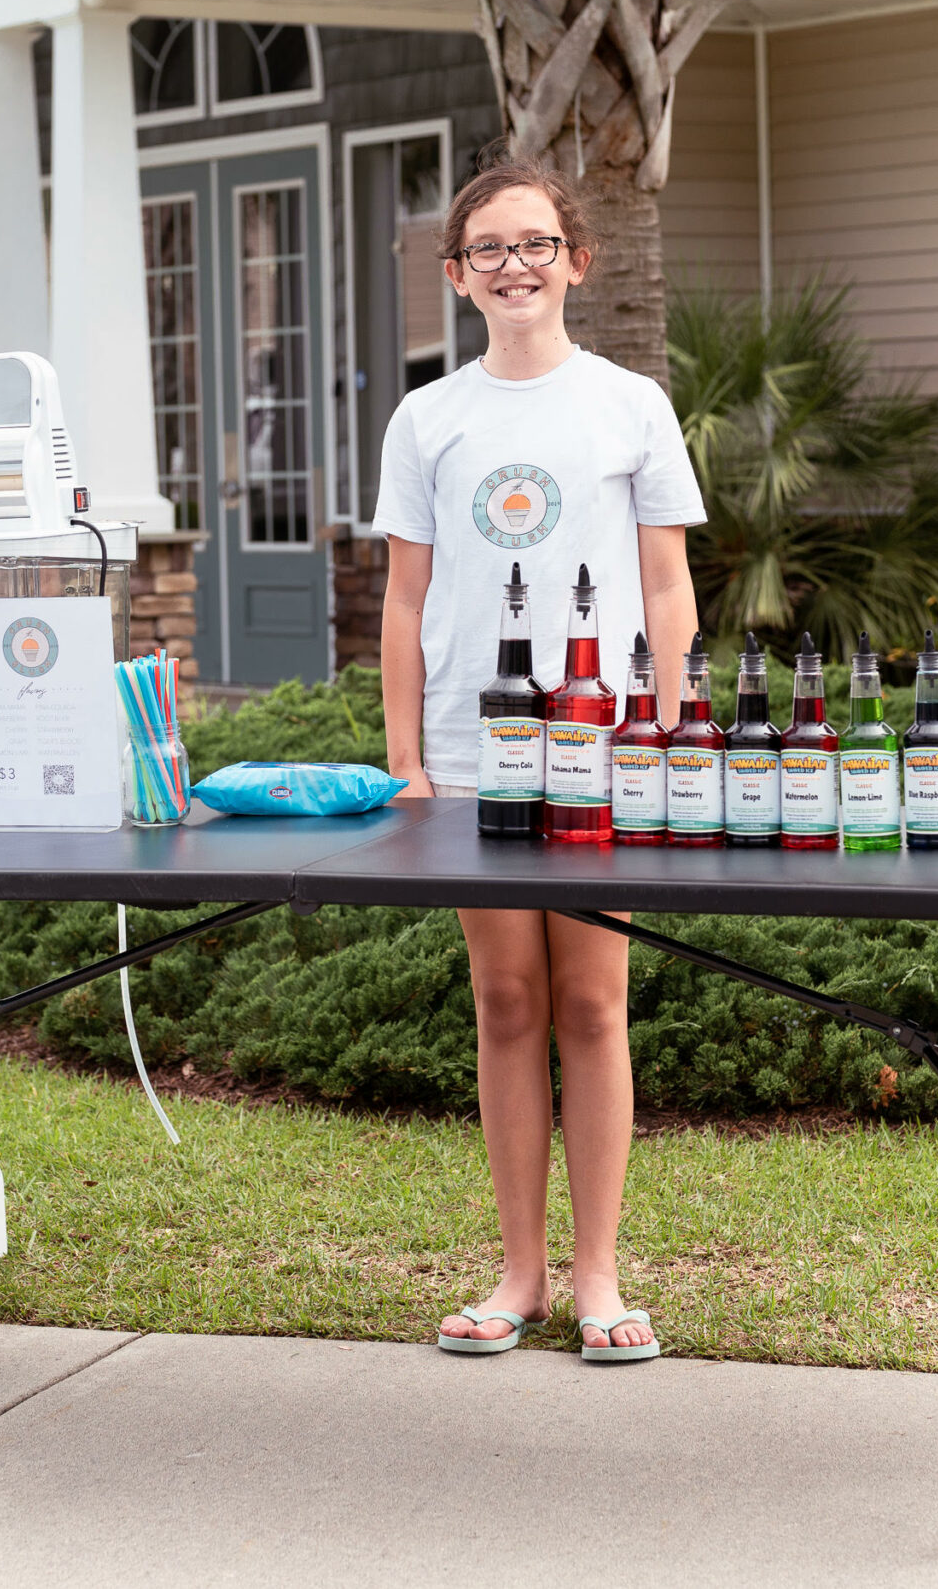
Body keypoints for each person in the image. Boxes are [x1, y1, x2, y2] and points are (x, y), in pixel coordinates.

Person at [373, 157, 705, 1360]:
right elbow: (403, 603)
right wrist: (408, 758)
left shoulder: (630, 403)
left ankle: (600, 1278)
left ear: (577, 258)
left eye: (535, 243)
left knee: (592, 1002)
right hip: (473, 762)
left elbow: (667, 585)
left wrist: (666, 731)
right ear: (458, 277)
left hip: (602, 750)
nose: (515, 265)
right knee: (504, 1000)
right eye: (489, 250)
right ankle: (517, 1274)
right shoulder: (429, 417)